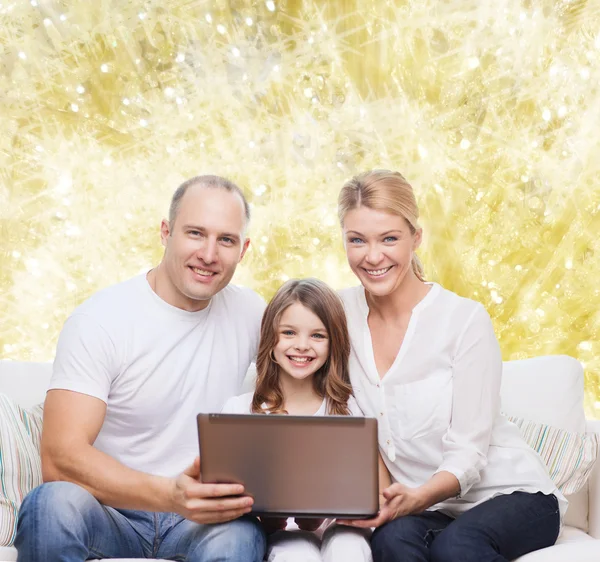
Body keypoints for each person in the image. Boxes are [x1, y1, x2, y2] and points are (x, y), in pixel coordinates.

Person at [16, 175, 267, 562]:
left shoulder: (251, 313)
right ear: (166, 232)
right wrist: (170, 495)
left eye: (226, 240)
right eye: (195, 233)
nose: (209, 254)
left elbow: (308, 382)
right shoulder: (101, 319)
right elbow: (58, 459)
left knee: (240, 535)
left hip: (202, 520)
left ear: (244, 249)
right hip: (112, 511)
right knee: (51, 505)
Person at [336, 169, 565, 562]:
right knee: (390, 542)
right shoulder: (338, 316)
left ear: (416, 238)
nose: (373, 257)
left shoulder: (463, 320)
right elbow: (349, 420)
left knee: (456, 546)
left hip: (513, 495)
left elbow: (469, 452)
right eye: (357, 240)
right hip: (430, 509)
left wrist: (417, 497)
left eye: (389, 238)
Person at [223, 278, 387, 562]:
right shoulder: (241, 411)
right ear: (270, 338)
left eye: (317, 336)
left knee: (348, 547)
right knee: (296, 552)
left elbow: (381, 493)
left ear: (333, 342)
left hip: (341, 526)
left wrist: (328, 512)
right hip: (278, 532)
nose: (302, 346)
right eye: (288, 332)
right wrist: (270, 518)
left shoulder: (350, 410)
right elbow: (225, 498)